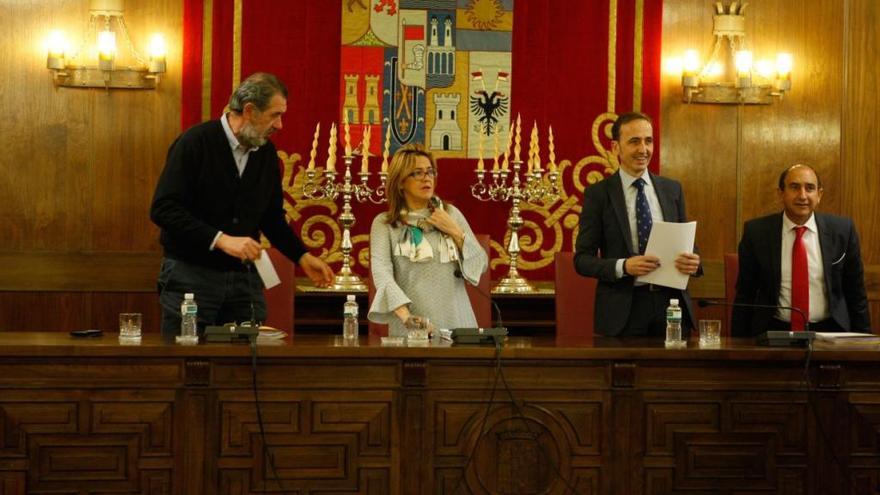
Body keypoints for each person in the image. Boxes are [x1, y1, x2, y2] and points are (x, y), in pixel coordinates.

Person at [151, 72, 334, 337]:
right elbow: (163, 208)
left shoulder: (267, 154)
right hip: (190, 276)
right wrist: (221, 239)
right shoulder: (195, 142)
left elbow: (271, 218)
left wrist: (302, 256)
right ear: (249, 111)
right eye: (274, 115)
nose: (280, 125)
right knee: (188, 366)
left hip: (243, 281)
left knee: (245, 367)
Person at [573, 112, 701, 337]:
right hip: (623, 311)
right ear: (616, 148)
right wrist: (623, 266)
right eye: (634, 141)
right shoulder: (598, 194)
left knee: (674, 373)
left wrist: (694, 262)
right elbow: (582, 260)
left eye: (648, 141)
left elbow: (688, 246)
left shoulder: (672, 190)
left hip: (671, 307)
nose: (643, 149)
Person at [732, 164, 870, 336]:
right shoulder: (756, 232)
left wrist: (863, 342)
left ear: (819, 195)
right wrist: (739, 347)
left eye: (810, 188)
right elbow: (746, 294)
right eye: (794, 187)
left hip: (830, 332)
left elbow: (856, 293)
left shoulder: (842, 230)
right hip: (774, 331)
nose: (802, 196)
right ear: (781, 193)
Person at [368, 144, 488, 337]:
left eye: (430, 172)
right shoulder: (384, 224)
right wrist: (406, 316)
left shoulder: (450, 214)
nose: (427, 178)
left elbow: (480, 264)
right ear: (400, 182)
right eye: (417, 173)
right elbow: (382, 274)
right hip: (412, 325)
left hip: (457, 321)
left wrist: (455, 231)